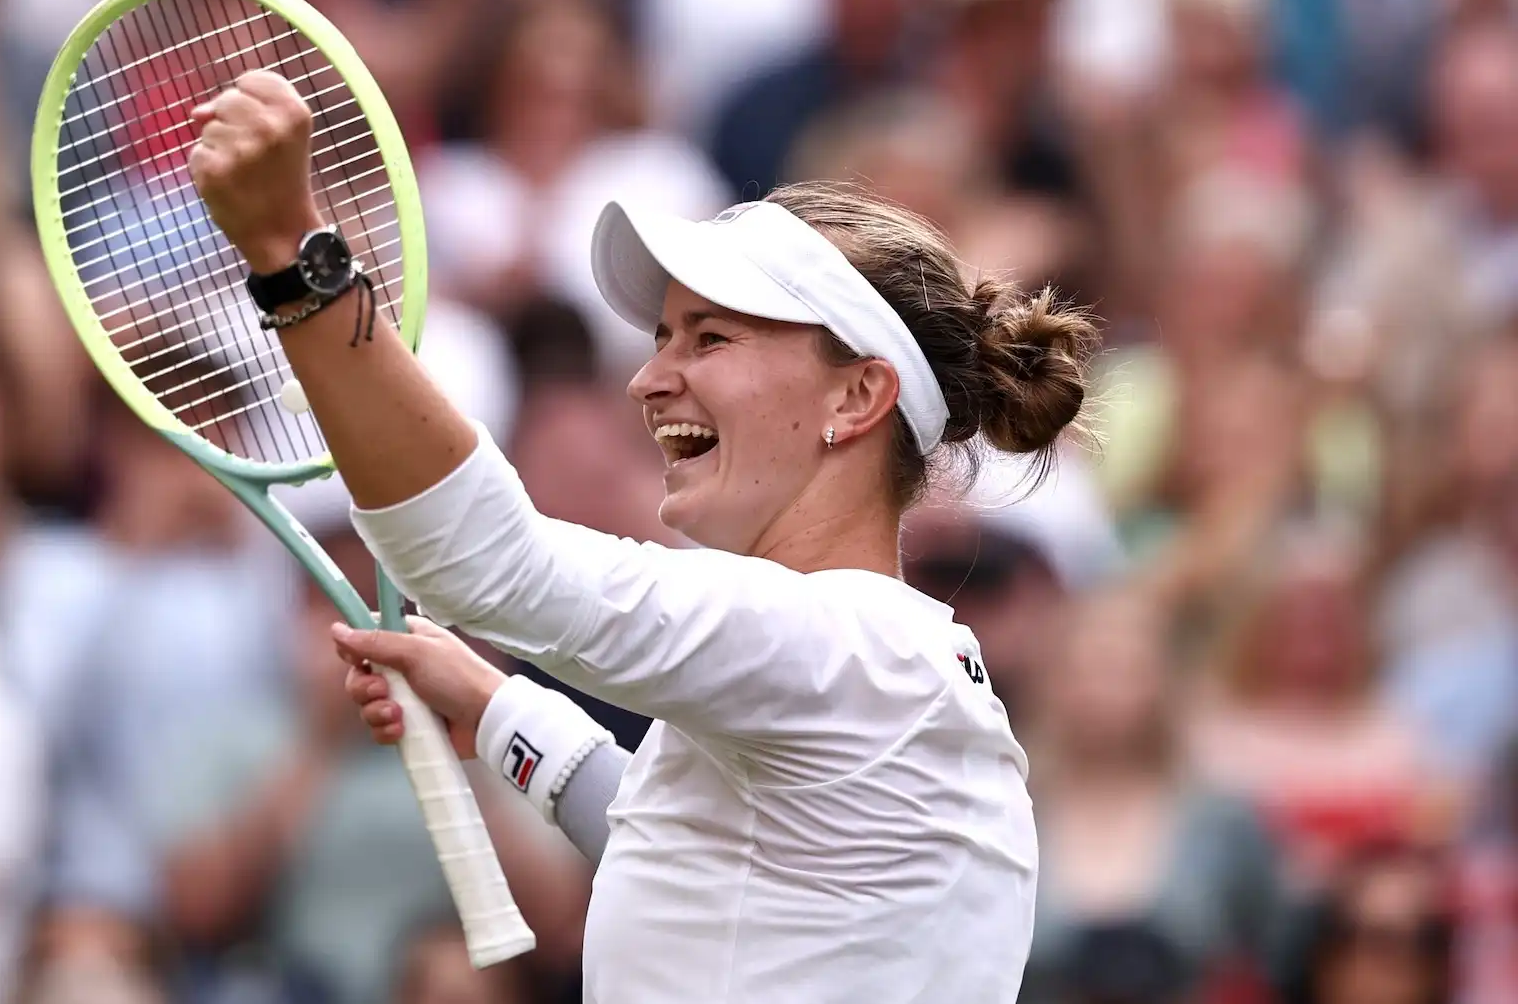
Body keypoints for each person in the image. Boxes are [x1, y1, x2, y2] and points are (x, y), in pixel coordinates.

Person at [186, 70, 1101, 1002]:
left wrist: (291, 257)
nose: (649, 379)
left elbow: (487, 561)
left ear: (858, 396)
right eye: (663, 337)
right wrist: (502, 713)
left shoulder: (832, 644)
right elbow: (680, 855)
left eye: (709, 340)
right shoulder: (881, 666)